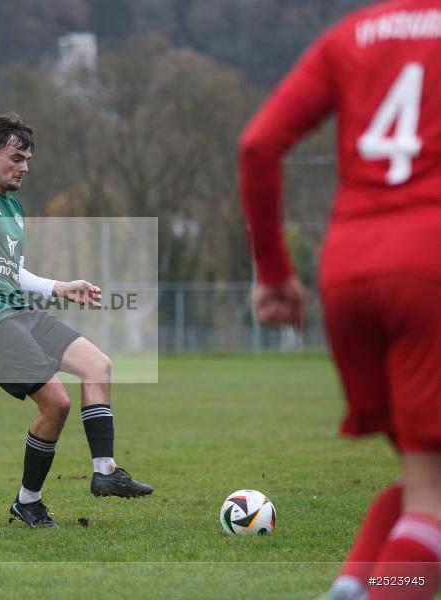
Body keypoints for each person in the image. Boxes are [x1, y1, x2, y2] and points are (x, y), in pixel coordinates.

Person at [239, 2, 441, 598]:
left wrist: (275, 271)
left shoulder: (349, 37)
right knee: (434, 503)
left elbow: (257, 146)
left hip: (348, 269)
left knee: (423, 480)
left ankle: (353, 588)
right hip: (430, 265)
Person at [0, 113, 153, 528]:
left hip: (22, 311)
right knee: (57, 403)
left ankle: (106, 473)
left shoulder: (15, 209)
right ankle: (29, 501)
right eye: (16, 158)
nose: (24, 167)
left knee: (98, 365)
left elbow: (13, 271)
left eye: (28, 160)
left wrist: (60, 287)